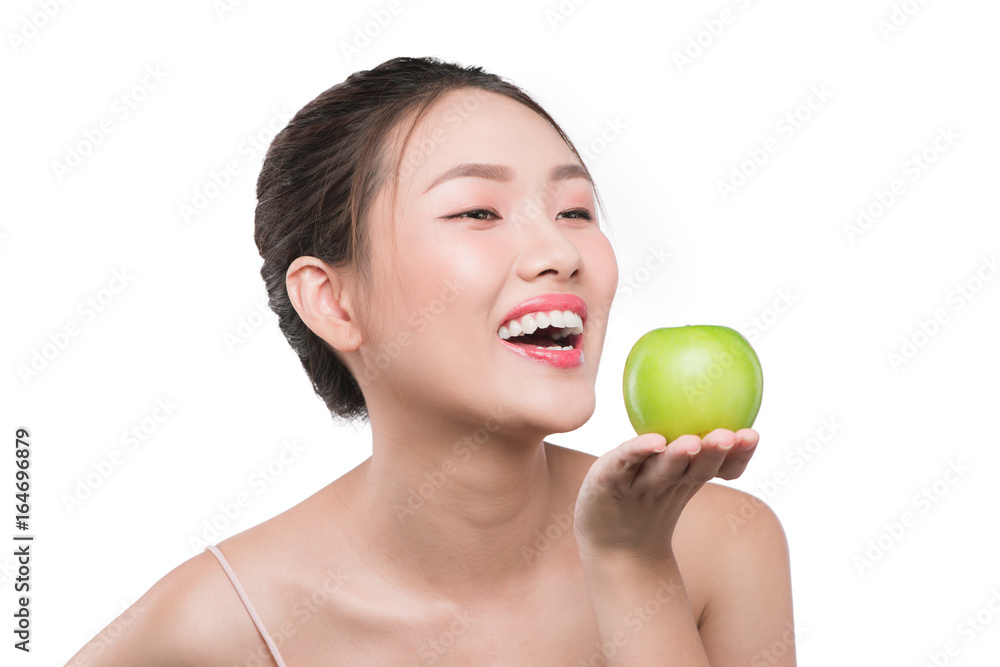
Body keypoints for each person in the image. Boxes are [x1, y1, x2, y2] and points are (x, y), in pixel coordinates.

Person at [69, 56, 794, 666]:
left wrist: (633, 563)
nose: (561, 253)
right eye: (478, 211)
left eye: (575, 210)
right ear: (334, 301)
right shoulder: (214, 627)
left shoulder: (718, 545)